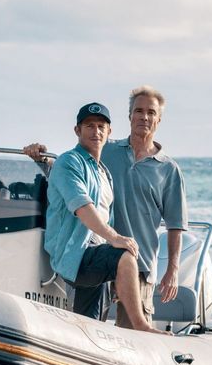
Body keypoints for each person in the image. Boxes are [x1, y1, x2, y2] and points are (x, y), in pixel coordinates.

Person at [25, 86, 187, 330]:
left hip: (138, 261)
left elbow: (175, 225)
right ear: (129, 116)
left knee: (132, 334)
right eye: (139, 111)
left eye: (151, 113)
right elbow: (70, 170)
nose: (144, 117)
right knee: (93, 327)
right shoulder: (105, 151)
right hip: (97, 251)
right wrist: (41, 158)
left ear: (158, 120)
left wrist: (172, 269)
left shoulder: (168, 169)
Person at [43, 102, 167, 334]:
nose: (96, 131)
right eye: (89, 126)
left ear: (109, 132)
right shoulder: (69, 162)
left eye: (101, 126)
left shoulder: (103, 173)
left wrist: (109, 239)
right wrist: (115, 238)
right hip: (75, 254)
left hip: (95, 252)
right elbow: (82, 206)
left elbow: (103, 214)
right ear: (77, 131)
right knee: (125, 256)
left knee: (90, 326)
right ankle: (141, 326)